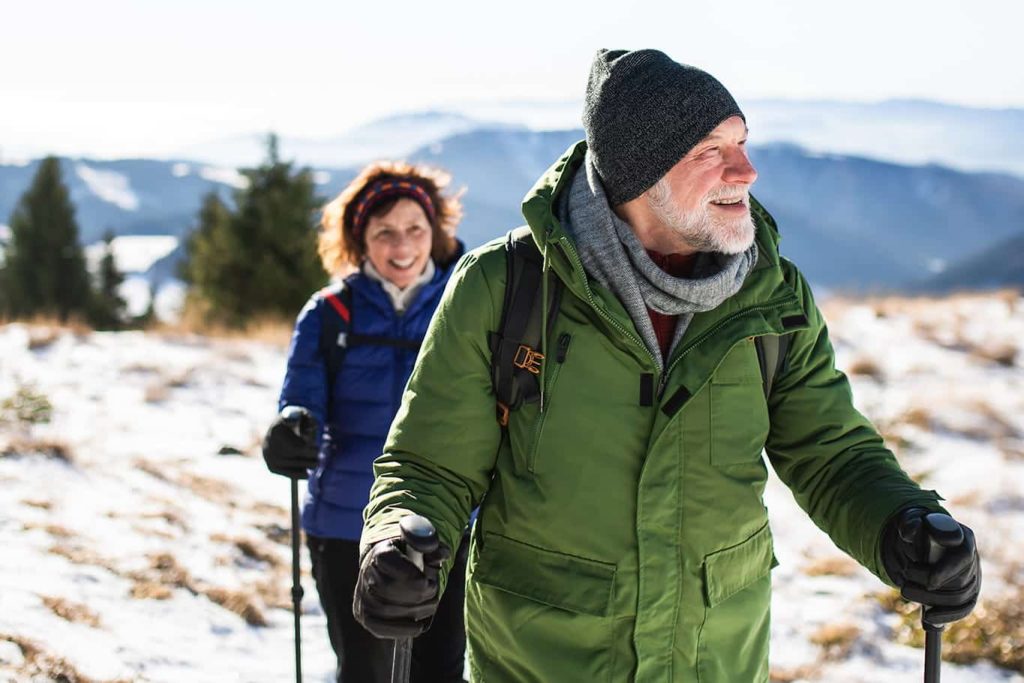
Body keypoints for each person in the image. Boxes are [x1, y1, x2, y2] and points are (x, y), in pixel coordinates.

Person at [352, 50, 982, 682]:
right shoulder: (507, 285)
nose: (747, 170)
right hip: (542, 663)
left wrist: (901, 524)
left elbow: (832, 455)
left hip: (715, 661)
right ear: (639, 176)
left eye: (742, 142)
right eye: (712, 150)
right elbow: (430, 464)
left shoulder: (772, 295)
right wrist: (397, 541)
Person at [262, 160, 469, 683]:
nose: (402, 247)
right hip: (345, 525)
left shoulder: (466, 304)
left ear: (436, 233)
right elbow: (301, 399)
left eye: (414, 230)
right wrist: (292, 429)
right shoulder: (331, 313)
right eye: (385, 234)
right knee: (364, 670)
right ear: (360, 240)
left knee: (438, 670)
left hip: (447, 524)